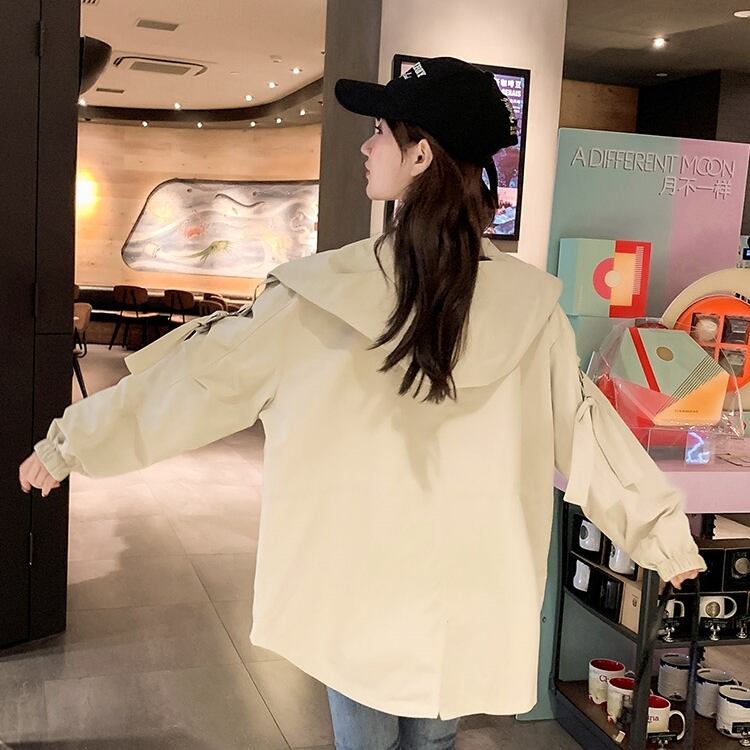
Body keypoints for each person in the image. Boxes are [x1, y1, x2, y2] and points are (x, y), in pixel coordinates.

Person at [19, 57, 703, 750]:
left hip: (357, 593)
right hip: (463, 596)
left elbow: (199, 379)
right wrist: (660, 532)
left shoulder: (320, 296)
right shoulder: (529, 311)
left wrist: (74, 442)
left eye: (380, 130)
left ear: (421, 154)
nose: (365, 146)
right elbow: (585, 430)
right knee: (433, 742)